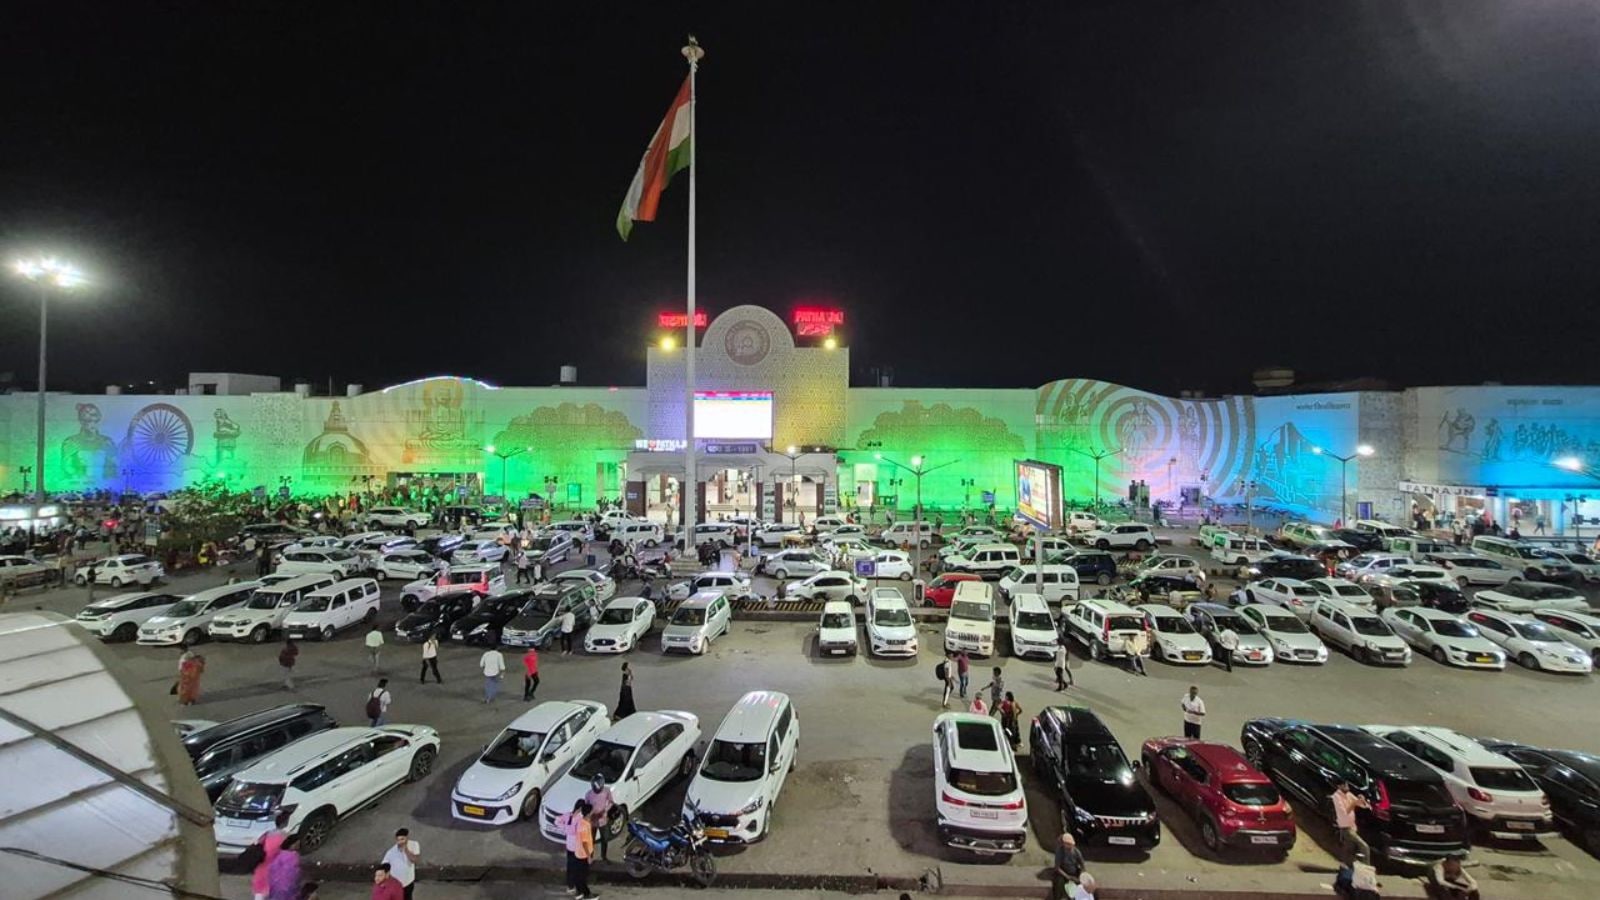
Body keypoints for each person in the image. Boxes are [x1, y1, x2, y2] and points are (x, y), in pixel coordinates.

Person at [559, 798, 597, 900]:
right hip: (579, 850)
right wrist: (589, 856)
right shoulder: (581, 822)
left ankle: (574, 889)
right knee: (580, 873)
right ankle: (584, 893)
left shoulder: (570, 816)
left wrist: (565, 829)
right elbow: (584, 841)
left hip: (571, 847)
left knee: (572, 868)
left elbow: (557, 821)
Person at [250, 811, 292, 900]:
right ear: (286, 822)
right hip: (277, 869)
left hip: (262, 866)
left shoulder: (267, 834)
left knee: (259, 892)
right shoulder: (286, 837)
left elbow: (258, 845)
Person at [1332, 781, 1371, 863]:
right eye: (1344, 785)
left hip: (1353, 827)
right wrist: (1353, 804)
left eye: (1347, 785)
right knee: (1364, 847)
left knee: (1348, 850)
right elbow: (1343, 813)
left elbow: (1364, 806)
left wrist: (1363, 800)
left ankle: (1345, 866)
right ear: (1339, 786)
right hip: (1346, 828)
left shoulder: (1349, 794)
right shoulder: (1336, 797)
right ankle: (1366, 868)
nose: (1347, 787)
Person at [380, 828, 420, 900]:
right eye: (398, 840)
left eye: (402, 839)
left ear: (407, 838)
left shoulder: (414, 845)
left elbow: (415, 860)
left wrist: (406, 850)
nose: (400, 842)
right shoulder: (391, 852)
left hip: (408, 883)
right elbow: (383, 867)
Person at [584, 775, 616, 861]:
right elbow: (586, 808)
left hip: (603, 819)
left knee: (604, 839)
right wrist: (590, 815)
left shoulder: (606, 791)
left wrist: (605, 811)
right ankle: (590, 857)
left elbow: (611, 802)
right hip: (592, 820)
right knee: (591, 840)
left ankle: (604, 856)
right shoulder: (588, 794)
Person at [266, 834, 303, 900]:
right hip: (287, 887)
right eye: (296, 844)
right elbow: (293, 873)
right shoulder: (293, 855)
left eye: (298, 844)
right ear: (291, 844)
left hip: (276, 885)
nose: (297, 846)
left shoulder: (279, 854)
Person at [1052, 832, 1086, 899]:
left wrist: (1080, 876)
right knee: (1059, 883)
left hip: (1074, 871)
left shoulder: (1076, 852)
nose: (1069, 847)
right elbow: (1057, 867)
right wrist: (1067, 877)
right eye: (1067, 844)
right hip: (1063, 872)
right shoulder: (1060, 851)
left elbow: (1082, 865)